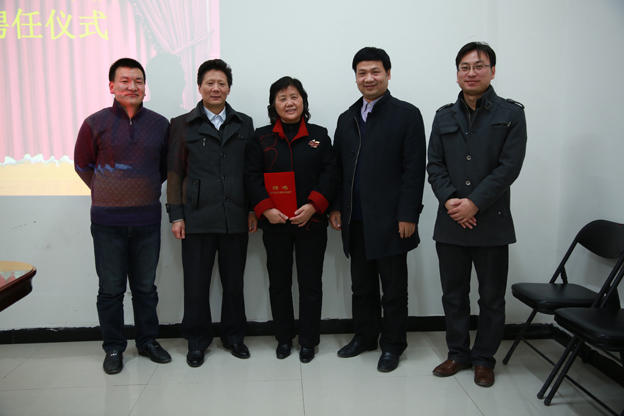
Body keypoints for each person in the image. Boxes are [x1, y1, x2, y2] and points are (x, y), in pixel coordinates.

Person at [427, 42, 527, 387]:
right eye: (464, 67)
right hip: (451, 222)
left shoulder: (511, 114)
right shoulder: (443, 116)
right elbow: (434, 165)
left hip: (491, 222)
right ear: (457, 74)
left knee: (491, 298)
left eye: (479, 66)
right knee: (453, 296)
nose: (471, 73)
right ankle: (458, 353)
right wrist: (453, 202)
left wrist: (474, 204)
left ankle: (484, 359)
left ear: (492, 71)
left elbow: (509, 167)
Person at [330, 47, 426, 372]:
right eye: (362, 73)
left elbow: (414, 170)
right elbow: (338, 169)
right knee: (362, 287)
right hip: (355, 218)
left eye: (375, 72)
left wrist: (408, 214)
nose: (368, 78)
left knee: (394, 289)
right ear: (355, 77)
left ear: (388, 74)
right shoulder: (347, 118)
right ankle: (365, 336)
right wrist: (336, 207)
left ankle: (393, 345)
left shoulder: (407, 115)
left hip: (391, 220)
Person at [74, 58, 172, 374]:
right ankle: (114, 347)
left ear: (145, 86)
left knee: (146, 289)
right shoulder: (95, 123)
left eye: (138, 81)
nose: (132, 86)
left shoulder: (160, 124)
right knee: (111, 290)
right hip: (107, 223)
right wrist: (108, 189)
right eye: (125, 80)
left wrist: (139, 187)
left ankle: (147, 342)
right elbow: (82, 165)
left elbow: (162, 168)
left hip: (147, 221)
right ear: (112, 86)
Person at [167, 59, 257, 368]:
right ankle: (196, 341)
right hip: (196, 217)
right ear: (199, 87)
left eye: (221, 83)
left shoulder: (244, 123)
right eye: (210, 83)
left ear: (229, 88)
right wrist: (176, 215)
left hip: (235, 216)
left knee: (233, 284)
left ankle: (234, 337)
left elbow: (250, 171)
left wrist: (252, 209)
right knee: (196, 286)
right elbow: (175, 173)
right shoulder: (182, 124)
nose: (215, 88)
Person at [245, 76, 337, 363]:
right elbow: (251, 176)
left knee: (311, 284)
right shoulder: (261, 137)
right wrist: (266, 209)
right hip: (276, 224)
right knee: (279, 284)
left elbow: (331, 173)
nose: (289, 103)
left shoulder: (319, 135)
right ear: (273, 104)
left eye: (294, 97)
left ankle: (308, 341)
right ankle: (283, 339)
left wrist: (313, 205)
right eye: (282, 98)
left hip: (312, 223)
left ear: (303, 101)